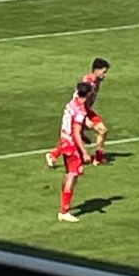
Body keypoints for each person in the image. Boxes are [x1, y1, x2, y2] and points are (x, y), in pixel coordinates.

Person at [45, 58, 110, 169]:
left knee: (100, 131)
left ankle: (98, 158)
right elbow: (77, 98)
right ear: (96, 70)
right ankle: (53, 155)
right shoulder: (87, 82)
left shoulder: (97, 81)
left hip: (86, 110)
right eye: (103, 72)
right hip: (79, 111)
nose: (105, 75)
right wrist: (85, 118)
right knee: (75, 136)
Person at [56, 81, 94, 223]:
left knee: (68, 174)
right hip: (72, 145)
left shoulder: (71, 104)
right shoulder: (80, 111)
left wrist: (84, 137)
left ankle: (63, 206)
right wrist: (84, 152)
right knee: (73, 175)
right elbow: (76, 132)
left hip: (64, 140)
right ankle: (64, 211)